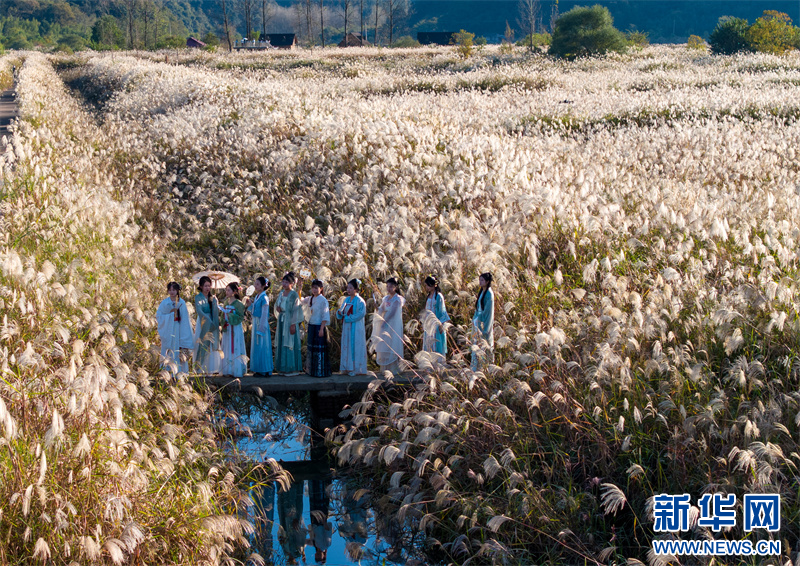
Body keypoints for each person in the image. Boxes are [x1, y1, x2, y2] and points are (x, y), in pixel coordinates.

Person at [156, 282, 194, 374]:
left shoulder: (182, 303)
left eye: (174, 290)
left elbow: (185, 320)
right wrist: (170, 316)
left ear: (177, 290)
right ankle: (167, 372)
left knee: (178, 350)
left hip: (179, 329)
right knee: (169, 351)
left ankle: (180, 373)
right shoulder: (165, 303)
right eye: (170, 290)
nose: (172, 292)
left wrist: (185, 336)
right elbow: (159, 316)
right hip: (168, 330)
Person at [372, 277, 405, 376]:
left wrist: (384, 321)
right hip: (385, 324)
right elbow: (381, 309)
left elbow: (393, 313)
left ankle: (393, 369)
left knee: (392, 343)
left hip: (393, 326)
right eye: (387, 286)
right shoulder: (386, 298)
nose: (388, 288)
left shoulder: (397, 299)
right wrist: (376, 306)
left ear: (395, 287)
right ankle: (385, 369)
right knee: (385, 344)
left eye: (391, 286)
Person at [336, 279, 368, 376]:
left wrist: (348, 318)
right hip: (347, 327)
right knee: (347, 345)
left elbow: (361, 314)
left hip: (356, 327)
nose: (348, 290)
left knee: (356, 346)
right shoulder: (346, 300)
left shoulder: (360, 301)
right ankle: (347, 367)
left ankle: (356, 368)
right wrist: (339, 313)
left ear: (356, 289)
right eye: (348, 288)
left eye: (351, 288)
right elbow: (342, 309)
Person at [301, 279, 331, 377]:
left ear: (321, 289)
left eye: (316, 288)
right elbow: (300, 301)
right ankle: (311, 371)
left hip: (319, 326)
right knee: (311, 348)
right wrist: (300, 288)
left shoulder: (323, 300)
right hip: (311, 326)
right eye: (313, 288)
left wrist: (322, 328)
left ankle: (320, 371)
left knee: (319, 350)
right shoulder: (310, 298)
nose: (314, 290)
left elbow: (325, 315)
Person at [274, 272, 303, 375]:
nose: (284, 284)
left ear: (292, 283)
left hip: (290, 320)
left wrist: (293, 324)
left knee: (290, 342)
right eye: (283, 282)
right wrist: (278, 308)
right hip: (282, 320)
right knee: (282, 342)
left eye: (287, 282)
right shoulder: (281, 293)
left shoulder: (294, 294)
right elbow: (277, 304)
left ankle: (292, 368)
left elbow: (296, 310)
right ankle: (283, 368)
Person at [246, 277, 273, 377]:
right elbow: (254, 311)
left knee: (262, 346)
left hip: (261, 323)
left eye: (257, 284)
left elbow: (264, 314)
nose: (255, 286)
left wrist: (261, 328)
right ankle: (259, 369)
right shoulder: (258, 296)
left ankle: (264, 370)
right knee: (257, 346)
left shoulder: (264, 298)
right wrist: (250, 304)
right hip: (256, 322)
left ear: (263, 286)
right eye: (255, 284)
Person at [193, 276, 220, 374]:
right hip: (202, 321)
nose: (208, 288)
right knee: (202, 342)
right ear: (201, 286)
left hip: (212, 321)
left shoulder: (212, 298)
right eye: (205, 286)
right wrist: (207, 319)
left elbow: (215, 312)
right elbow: (199, 310)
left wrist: (215, 303)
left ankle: (210, 368)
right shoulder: (198, 297)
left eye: (209, 286)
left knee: (211, 343)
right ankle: (199, 368)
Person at [220, 281, 247, 377]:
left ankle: (236, 370)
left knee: (235, 346)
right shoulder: (226, 302)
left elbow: (240, 317)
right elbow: (222, 315)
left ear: (234, 292)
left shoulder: (239, 304)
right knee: (227, 347)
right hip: (227, 327)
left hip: (235, 328)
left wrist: (230, 315)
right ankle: (227, 370)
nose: (226, 292)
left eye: (228, 290)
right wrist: (224, 319)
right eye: (226, 290)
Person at [471, 272, 495, 371]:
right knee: (476, 345)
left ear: (487, 281)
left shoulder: (489, 294)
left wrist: (485, 328)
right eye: (479, 280)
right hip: (477, 322)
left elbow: (488, 312)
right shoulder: (482, 291)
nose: (480, 282)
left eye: (482, 280)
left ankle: (484, 369)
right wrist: (475, 319)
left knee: (484, 345)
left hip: (484, 323)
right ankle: (475, 369)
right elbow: (478, 308)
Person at [422, 275, 450, 358]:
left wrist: (441, 324)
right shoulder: (428, 296)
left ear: (434, 285)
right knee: (429, 343)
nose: (427, 287)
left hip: (436, 324)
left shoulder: (438, 296)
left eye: (428, 285)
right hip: (429, 324)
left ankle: (438, 362)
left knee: (437, 342)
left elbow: (442, 311)